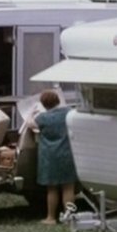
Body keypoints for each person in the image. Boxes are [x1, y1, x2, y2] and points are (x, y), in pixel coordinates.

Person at [29, 89, 77, 224]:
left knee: (52, 188)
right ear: (58, 100)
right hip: (67, 153)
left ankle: (51, 217)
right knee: (68, 187)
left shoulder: (42, 118)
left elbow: (30, 124)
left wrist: (32, 113)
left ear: (43, 104)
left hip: (49, 156)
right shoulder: (68, 113)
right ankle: (69, 218)